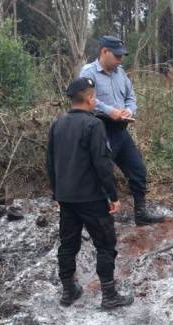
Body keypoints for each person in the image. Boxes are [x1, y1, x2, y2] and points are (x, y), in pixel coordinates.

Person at [46, 77, 134, 309]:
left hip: (66, 198)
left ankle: (68, 292)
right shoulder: (94, 125)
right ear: (89, 98)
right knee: (105, 244)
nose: (96, 100)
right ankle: (109, 296)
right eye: (95, 96)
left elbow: (50, 163)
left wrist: (57, 194)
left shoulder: (57, 124)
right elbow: (102, 164)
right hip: (92, 198)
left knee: (68, 245)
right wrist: (113, 196)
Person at [79, 35, 165, 226]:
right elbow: (85, 99)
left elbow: (131, 97)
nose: (120, 60)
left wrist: (129, 110)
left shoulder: (120, 73)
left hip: (120, 130)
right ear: (104, 52)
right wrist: (111, 111)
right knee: (101, 174)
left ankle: (141, 214)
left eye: (121, 56)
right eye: (117, 56)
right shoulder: (88, 72)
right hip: (99, 129)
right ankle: (96, 220)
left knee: (138, 169)